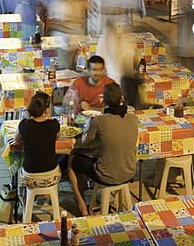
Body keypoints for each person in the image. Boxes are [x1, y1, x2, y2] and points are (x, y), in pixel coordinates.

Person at [60, 83, 138, 216]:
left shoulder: (99, 121)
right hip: (129, 171)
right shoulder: (133, 118)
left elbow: (84, 143)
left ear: (104, 102)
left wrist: (86, 129)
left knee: (72, 159)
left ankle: (82, 205)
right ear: (122, 99)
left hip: (105, 175)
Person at [12, 91, 62, 188]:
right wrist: (49, 117)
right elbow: (57, 137)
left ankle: (31, 198)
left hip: (30, 176)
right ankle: (47, 197)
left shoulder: (24, 124)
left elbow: (16, 139)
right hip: (51, 175)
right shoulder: (54, 124)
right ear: (47, 109)